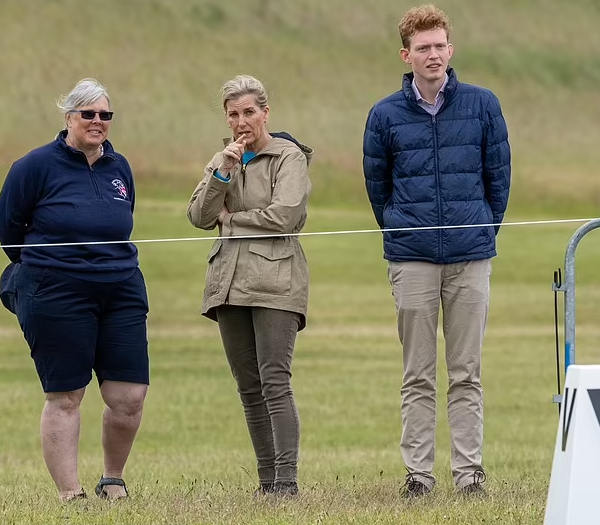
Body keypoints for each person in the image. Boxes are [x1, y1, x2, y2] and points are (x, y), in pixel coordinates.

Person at [362, 4, 511, 497]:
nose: (433, 55)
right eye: (422, 47)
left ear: (451, 49)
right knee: (418, 374)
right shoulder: (384, 115)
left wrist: (484, 229)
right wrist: (403, 233)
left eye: (439, 45)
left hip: (471, 256)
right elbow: (377, 186)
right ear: (407, 54)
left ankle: (470, 474)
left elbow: (499, 176)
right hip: (412, 259)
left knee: (466, 372)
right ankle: (419, 476)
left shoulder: (483, 104)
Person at [0, 78, 150, 502]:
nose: (98, 122)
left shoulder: (119, 167)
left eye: (105, 115)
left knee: (129, 396)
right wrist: (48, 270)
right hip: (56, 291)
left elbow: (124, 219)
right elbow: (9, 232)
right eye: (88, 114)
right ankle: (71, 494)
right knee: (66, 394)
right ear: (69, 117)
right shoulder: (34, 166)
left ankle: (113, 480)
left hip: (121, 290)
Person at [187, 75, 312, 497]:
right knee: (248, 387)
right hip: (228, 284)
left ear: (265, 113)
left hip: (276, 282)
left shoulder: (287, 156)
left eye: (249, 112)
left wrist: (232, 220)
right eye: (234, 114)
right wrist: (223, 171)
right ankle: (266, 483)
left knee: (275, 380)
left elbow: (286, 216)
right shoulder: (224, 158)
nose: (242, 122)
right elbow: (198, 216)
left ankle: (287, 482)